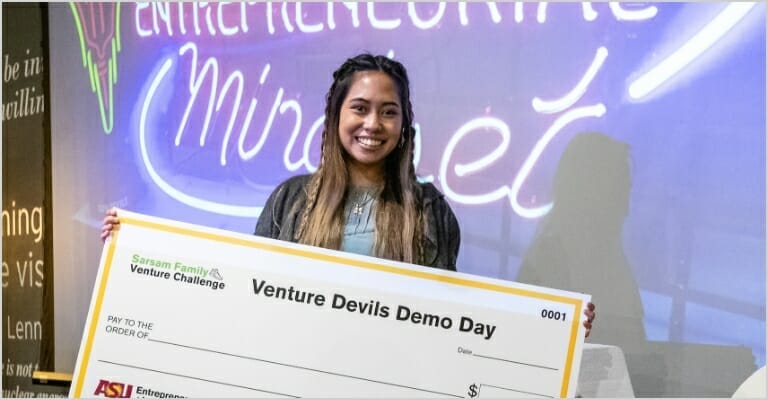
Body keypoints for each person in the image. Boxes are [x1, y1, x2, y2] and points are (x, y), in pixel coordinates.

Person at [101, 53, 594, 332]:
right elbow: (241, 292)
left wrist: (553, 327)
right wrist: (135, 251)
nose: (372, 124)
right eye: (359, 107)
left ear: (404, 124)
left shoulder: (429, 210)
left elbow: (456, 318)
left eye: (388, 111)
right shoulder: (290, 201)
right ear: (336, 115)